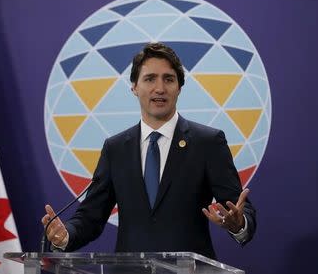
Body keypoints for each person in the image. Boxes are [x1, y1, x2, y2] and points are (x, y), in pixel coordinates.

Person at [42, 42, 256, 259]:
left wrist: (238, 224)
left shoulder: (208, 143)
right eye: (150, 78)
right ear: (134, 86)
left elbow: (239, 209)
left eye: (169, 79)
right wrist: (66, 235)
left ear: (179, 87)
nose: (160, 88)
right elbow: (91, 217)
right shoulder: (115, 149)